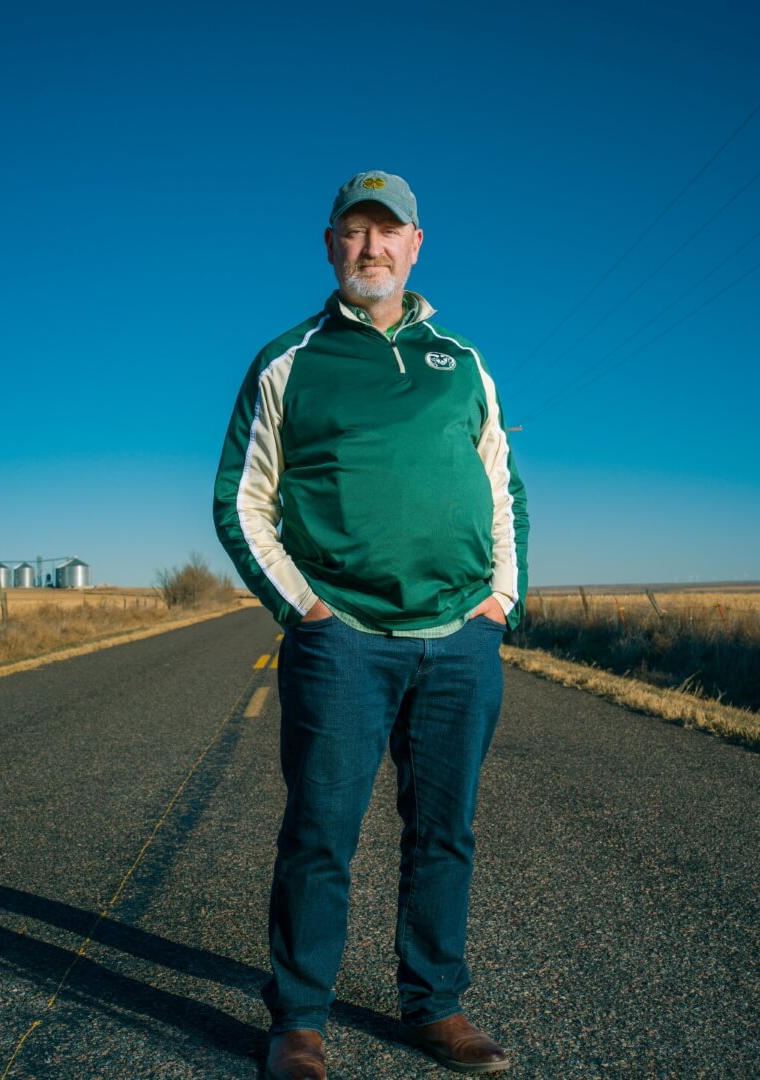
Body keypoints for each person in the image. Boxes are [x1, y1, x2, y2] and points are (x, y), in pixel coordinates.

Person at [213, 170, 528, 1079]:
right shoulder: (290, 360)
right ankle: (299, 1023)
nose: (373, 248)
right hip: (343, 641)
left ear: (416, 245)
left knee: (445, 831)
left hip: (459, 641)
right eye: (355, 231)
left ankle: (435, 1006)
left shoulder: (461, 361)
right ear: (330, 244)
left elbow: (504, 487)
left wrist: (499, 602)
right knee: (321, 831)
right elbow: (243, 502)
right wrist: (306, 611)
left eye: (389, 232)